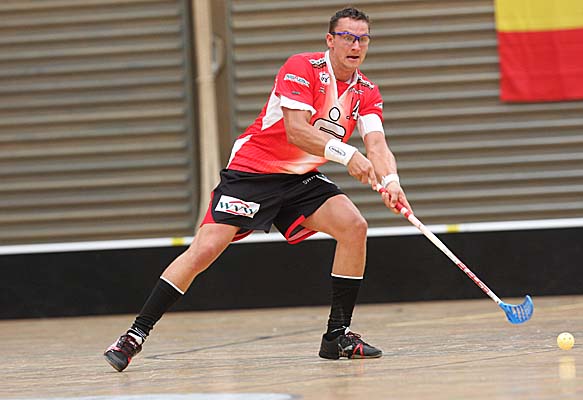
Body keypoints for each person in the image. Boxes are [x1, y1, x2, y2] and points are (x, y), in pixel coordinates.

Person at [103, 6, 411, 372]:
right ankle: (135, 335)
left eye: (362, 38)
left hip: (299, 178)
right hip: (253, 171)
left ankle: (337, 335)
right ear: (330, 40)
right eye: (347, 37)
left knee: (354, 226)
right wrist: (348, 155)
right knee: (206, 249)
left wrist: (391, 181)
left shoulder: (366, 91)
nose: (355, 45)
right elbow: (297, 131)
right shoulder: (302, 67)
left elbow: (377, 144)